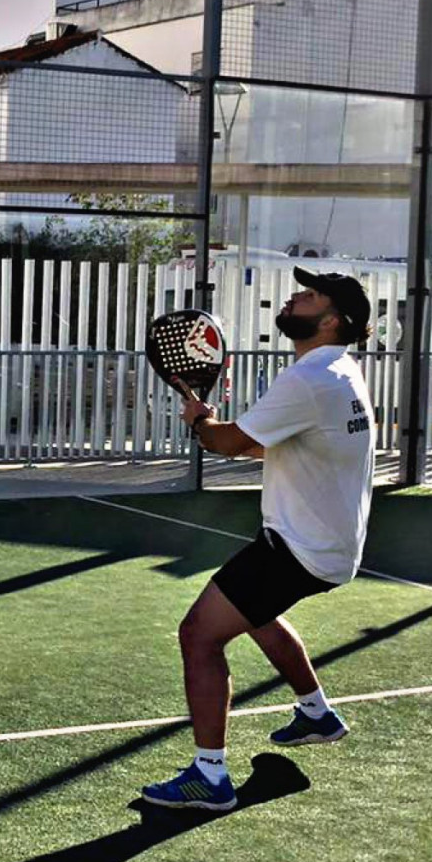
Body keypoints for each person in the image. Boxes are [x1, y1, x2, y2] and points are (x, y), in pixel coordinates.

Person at [139, 268, 377, 811]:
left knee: (199, 635)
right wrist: (217, 431)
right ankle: (316, 714)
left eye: (309, 296)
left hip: (299, 549)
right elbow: (277, 446)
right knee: (255, 614)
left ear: (332, 320)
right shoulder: (341, 372)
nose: (294, 298)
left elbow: (229, 442)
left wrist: (202, 424)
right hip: (327, 545)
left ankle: (210, 777)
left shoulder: (309, 379)